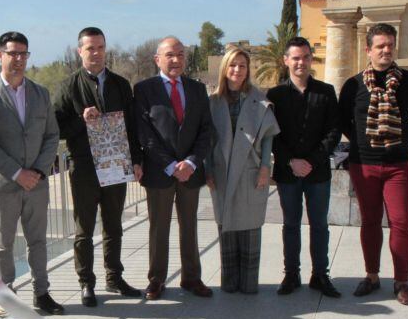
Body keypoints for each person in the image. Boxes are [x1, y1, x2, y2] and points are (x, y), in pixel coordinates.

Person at [0, 32, 64, 315]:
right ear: (0, 55)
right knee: (3, 245)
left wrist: (37, 170)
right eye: (12, 53)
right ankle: (8, 299)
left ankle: (42, 293)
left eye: (23, 54)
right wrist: (17, 173)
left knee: (38, 241)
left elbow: (52, 135)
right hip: (3, 186)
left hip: (36, 184)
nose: (18, 59)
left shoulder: (40, 93)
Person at [339, 23, 408, 305]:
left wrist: (402, 140)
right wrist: (361, 144)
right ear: (368, 50)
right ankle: (372, 275)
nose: (386, 50)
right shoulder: (353, 85)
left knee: (401, 223)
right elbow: (343, 120)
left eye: (390, 44)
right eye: (380, 45)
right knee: (369, 222)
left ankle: (402, 280)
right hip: (363, 165)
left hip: (397, 165)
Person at [54, 27, 143, 307]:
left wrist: (137, 160)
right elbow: (55, 127)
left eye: (100, 47)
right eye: (90, 48)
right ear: (79, 51)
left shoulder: (120, 84)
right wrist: (81, 119)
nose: (96, 53)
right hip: (84, 167)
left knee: (114, 225)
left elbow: (132, 126)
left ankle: (114, 278)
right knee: (84, 229)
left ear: (106, 50)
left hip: (116, 164)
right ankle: (85, 282)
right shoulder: (69, 86)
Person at [133, 37, 214, 300]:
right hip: (160, 173)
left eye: (180, 54)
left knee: (189, 226)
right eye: (170, 55)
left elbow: (206, 131)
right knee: (159, 228)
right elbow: (144, 134)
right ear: (158, 59)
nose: (176, 60)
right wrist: (170, 165)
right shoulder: (144, 90)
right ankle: (156, 280)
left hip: (190, 172)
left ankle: (191, 278)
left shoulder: (197, 89)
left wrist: (191, 162)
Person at [267, 37, 342, 297]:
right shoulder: (274, 95)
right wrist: (291, 161)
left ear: (311, 59)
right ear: (286, 60)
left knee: (320, 225)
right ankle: (291, 274)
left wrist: (311, 161)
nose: (301, 62)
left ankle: (320, 275)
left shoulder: (326, 91)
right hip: (288, 173)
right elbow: (272, 134)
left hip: (317, 172)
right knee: (290, 224)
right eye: (296, 58)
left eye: (306, 57)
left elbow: (334, 131)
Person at [207, 47, 279, 294]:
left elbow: (269, 137)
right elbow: (206, 140)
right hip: (221, 171)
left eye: (242, 66)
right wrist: (207, 170)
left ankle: (248, 285)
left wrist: (265, 168)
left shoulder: (259, 99)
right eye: (232, 65)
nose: (237, 70)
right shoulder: (213, 101)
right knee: (226, 224)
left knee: (249, 227)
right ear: (225, 68)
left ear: (248, 70)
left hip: (250, 170)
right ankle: (229, 283)